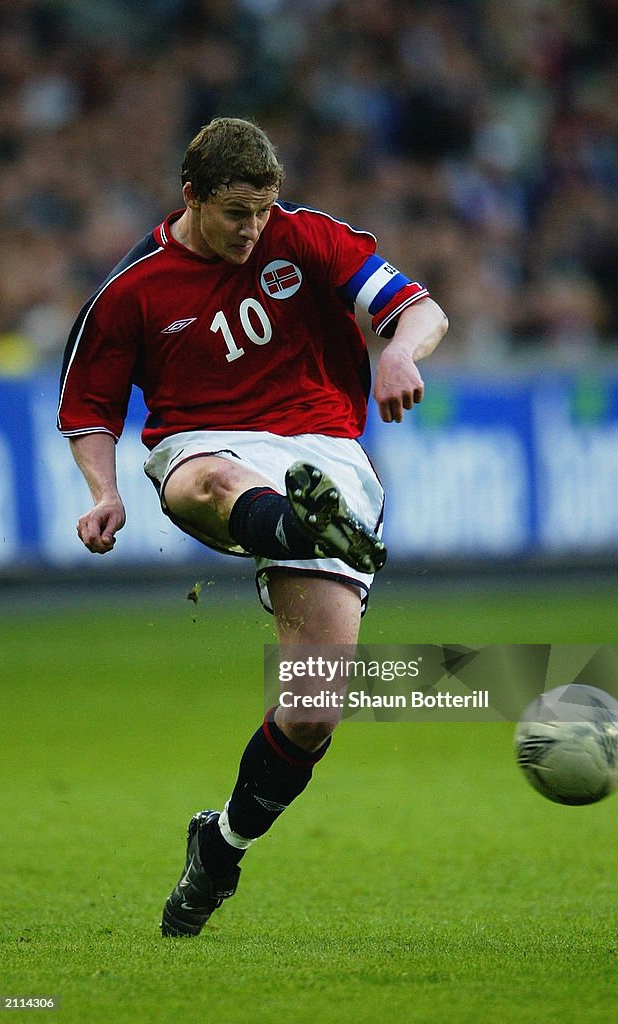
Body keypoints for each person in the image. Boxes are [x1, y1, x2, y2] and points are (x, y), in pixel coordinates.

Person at [57, 116, 448, 937]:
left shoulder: (305, 238)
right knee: (211, 479)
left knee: (313, 707)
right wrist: (104, 492)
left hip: (322, 448)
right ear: (191, 195)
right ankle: (301, 528)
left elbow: (418, 310)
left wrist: (400, 353)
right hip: (206, 443)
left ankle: (221, 848)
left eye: (263, 211)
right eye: (237, 213)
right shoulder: (134, 289)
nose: (253, 230)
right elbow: (90, 410)